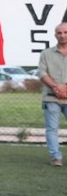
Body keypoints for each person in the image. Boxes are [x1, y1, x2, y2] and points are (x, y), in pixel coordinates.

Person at [38, 22, 67, 167]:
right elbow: (42, 73)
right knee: (52, 128)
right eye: (59, 33)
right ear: (55, 35)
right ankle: (56, 157)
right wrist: (57, 88)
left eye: (65, 32)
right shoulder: (46, 54)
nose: (62, 35)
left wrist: (65, 88)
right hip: (51, 97)